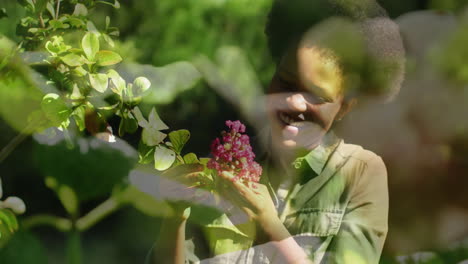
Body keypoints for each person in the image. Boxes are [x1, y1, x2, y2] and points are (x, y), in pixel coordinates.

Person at [151, 0, 405, 263]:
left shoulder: (361, 173)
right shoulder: (228, 163)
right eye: (285, 81)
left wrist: (268, 226)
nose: (294, 102)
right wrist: (174, 218)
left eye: (316, 95)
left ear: (344, 107)